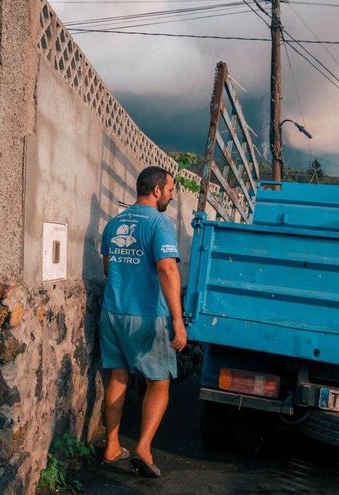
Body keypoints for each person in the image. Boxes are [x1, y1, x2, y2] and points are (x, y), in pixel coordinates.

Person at [98, 166, 187, 478]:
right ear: (157, 190)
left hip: (112, 312)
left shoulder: (114, 223)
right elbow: (167, 270)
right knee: (158, 382)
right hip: (147, 315)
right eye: (171, 190)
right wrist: (178, 319)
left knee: (118, 376)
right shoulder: (160, 223)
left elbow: (108, 268)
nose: (171, 196)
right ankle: (143, 448)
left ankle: (112, 446)